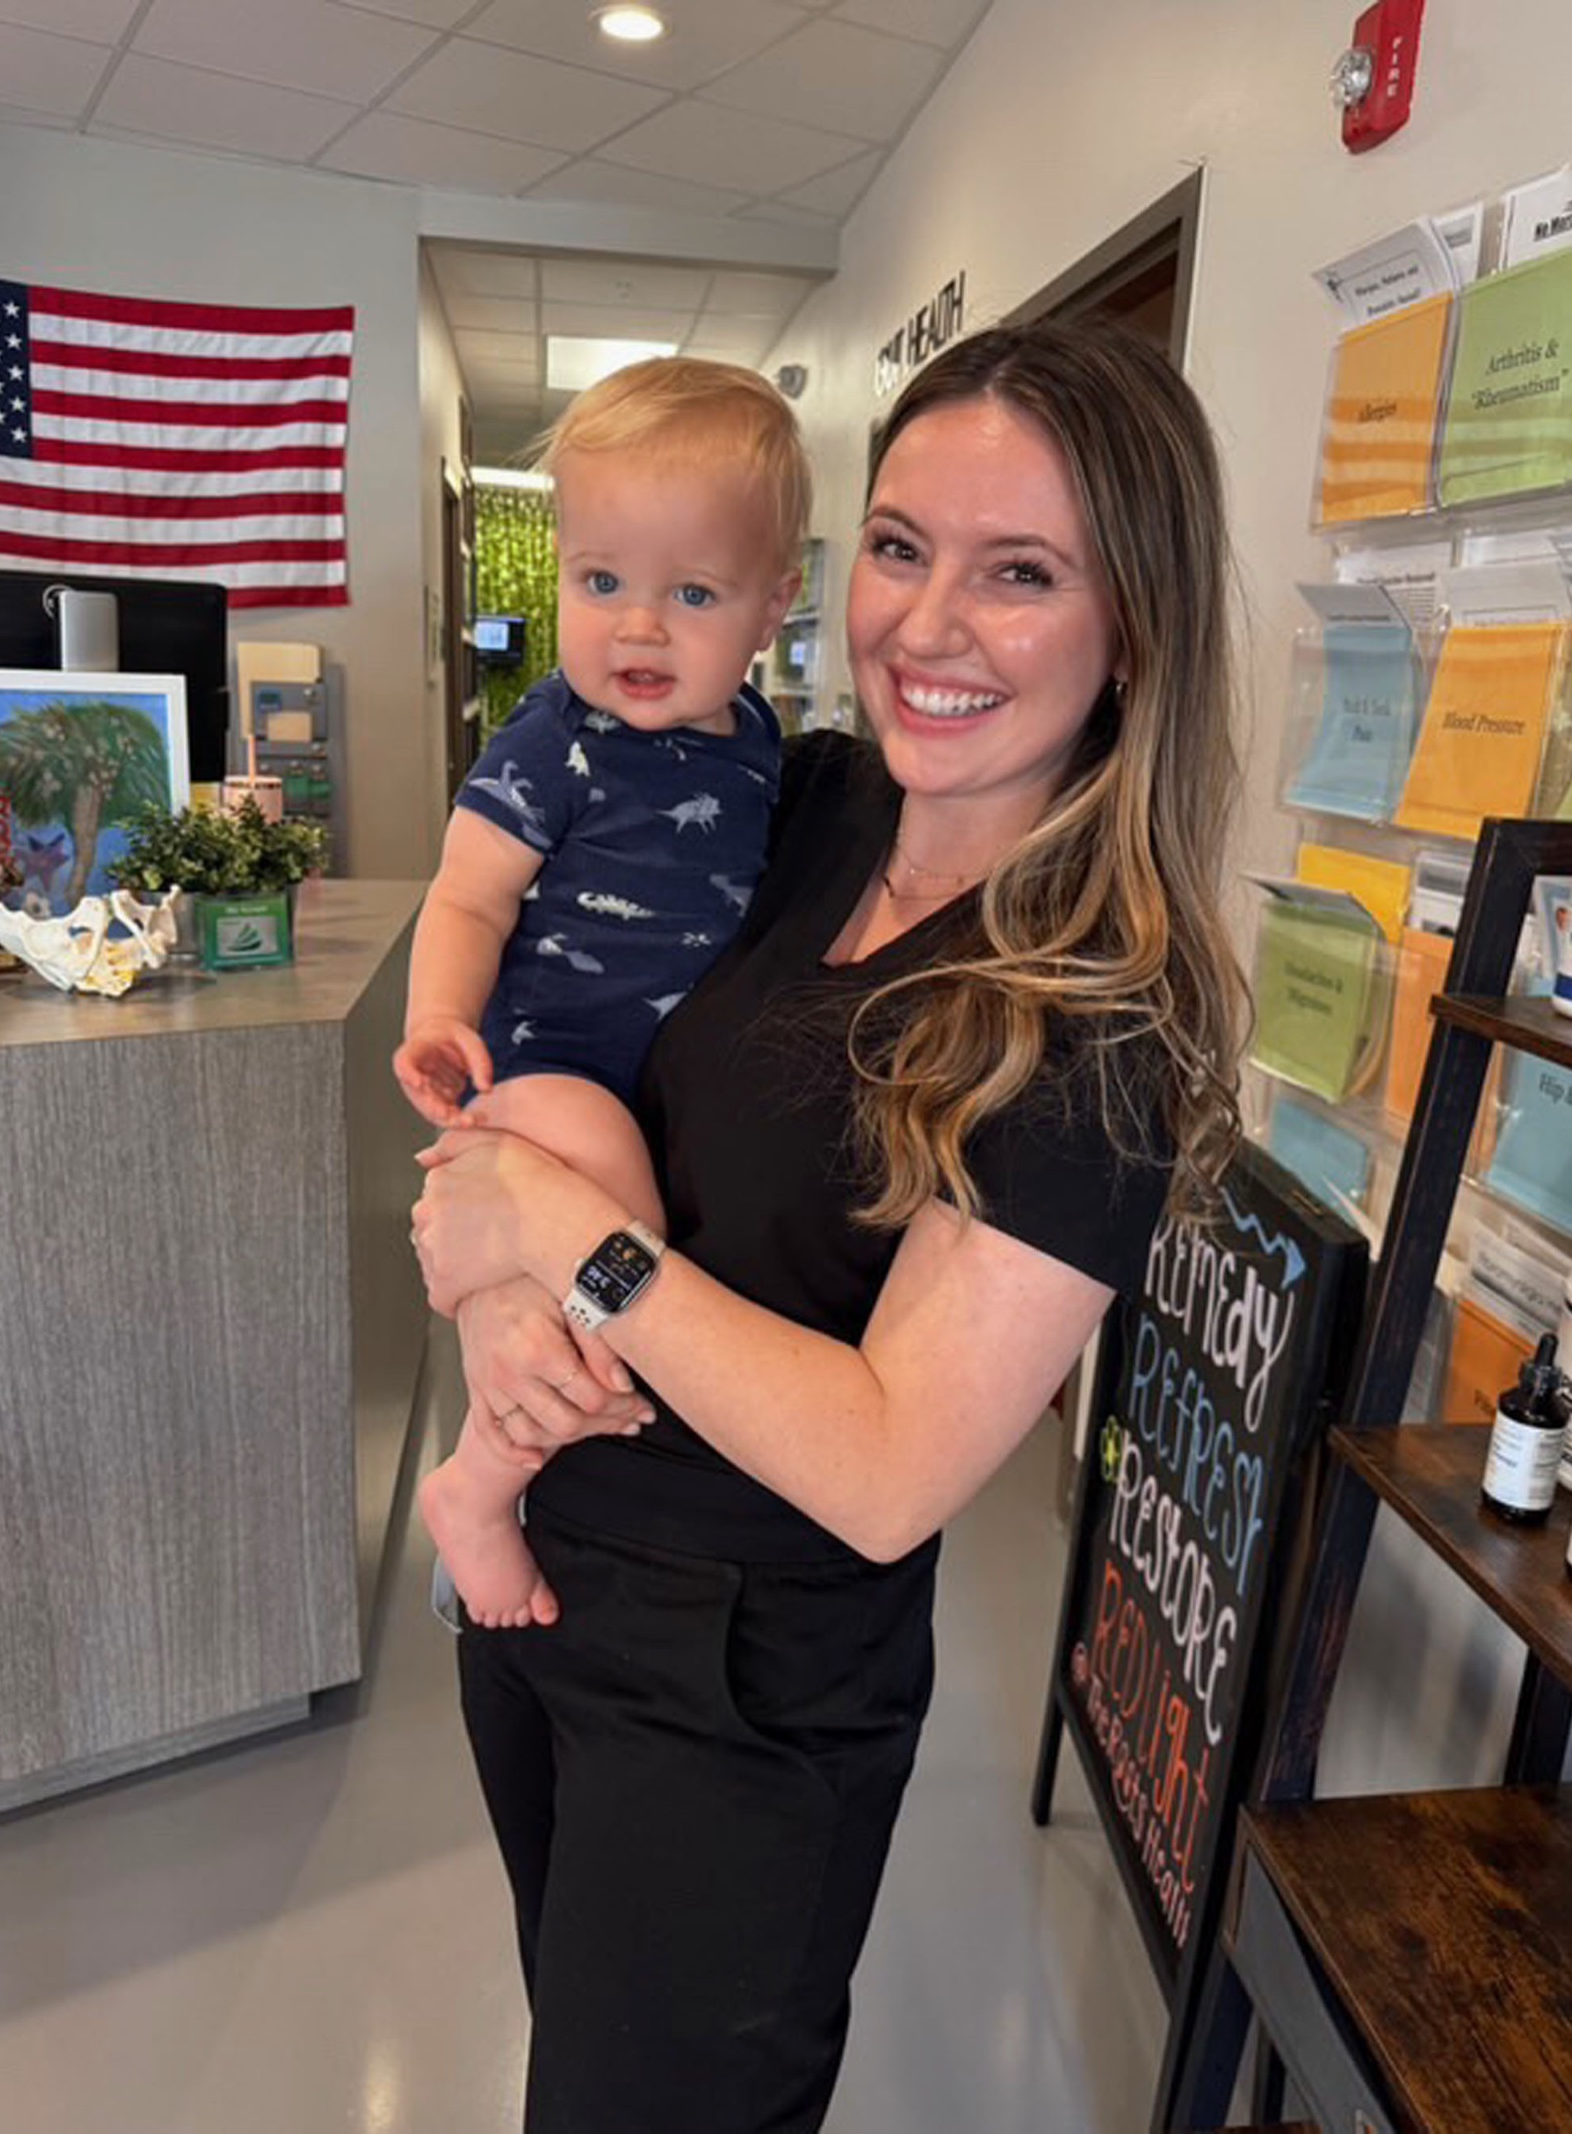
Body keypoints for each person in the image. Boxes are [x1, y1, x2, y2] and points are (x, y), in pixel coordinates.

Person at [409, 314, 1246, 2134]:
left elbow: (882, 1467)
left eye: (1020, 573)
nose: (929, 627)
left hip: (743, 1686)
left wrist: (563, 1238)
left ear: (1134, 629)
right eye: (900, 547)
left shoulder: (1097, 1022)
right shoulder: (787, 797)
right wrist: (494, 1294)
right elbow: (543, 1057)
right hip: (544, 1573)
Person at [393, 357, 807, 1628]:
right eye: (602, 583)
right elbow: (468, 894)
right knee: (615, 1257)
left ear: (773, 606)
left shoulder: (763, 752)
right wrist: (436, 1019)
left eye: (692, 592)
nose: (638, 627)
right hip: (553, 1070)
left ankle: (520, 1439)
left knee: (606, 1255)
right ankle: (478, 1482)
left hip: (657, 1085)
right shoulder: (554, 738)